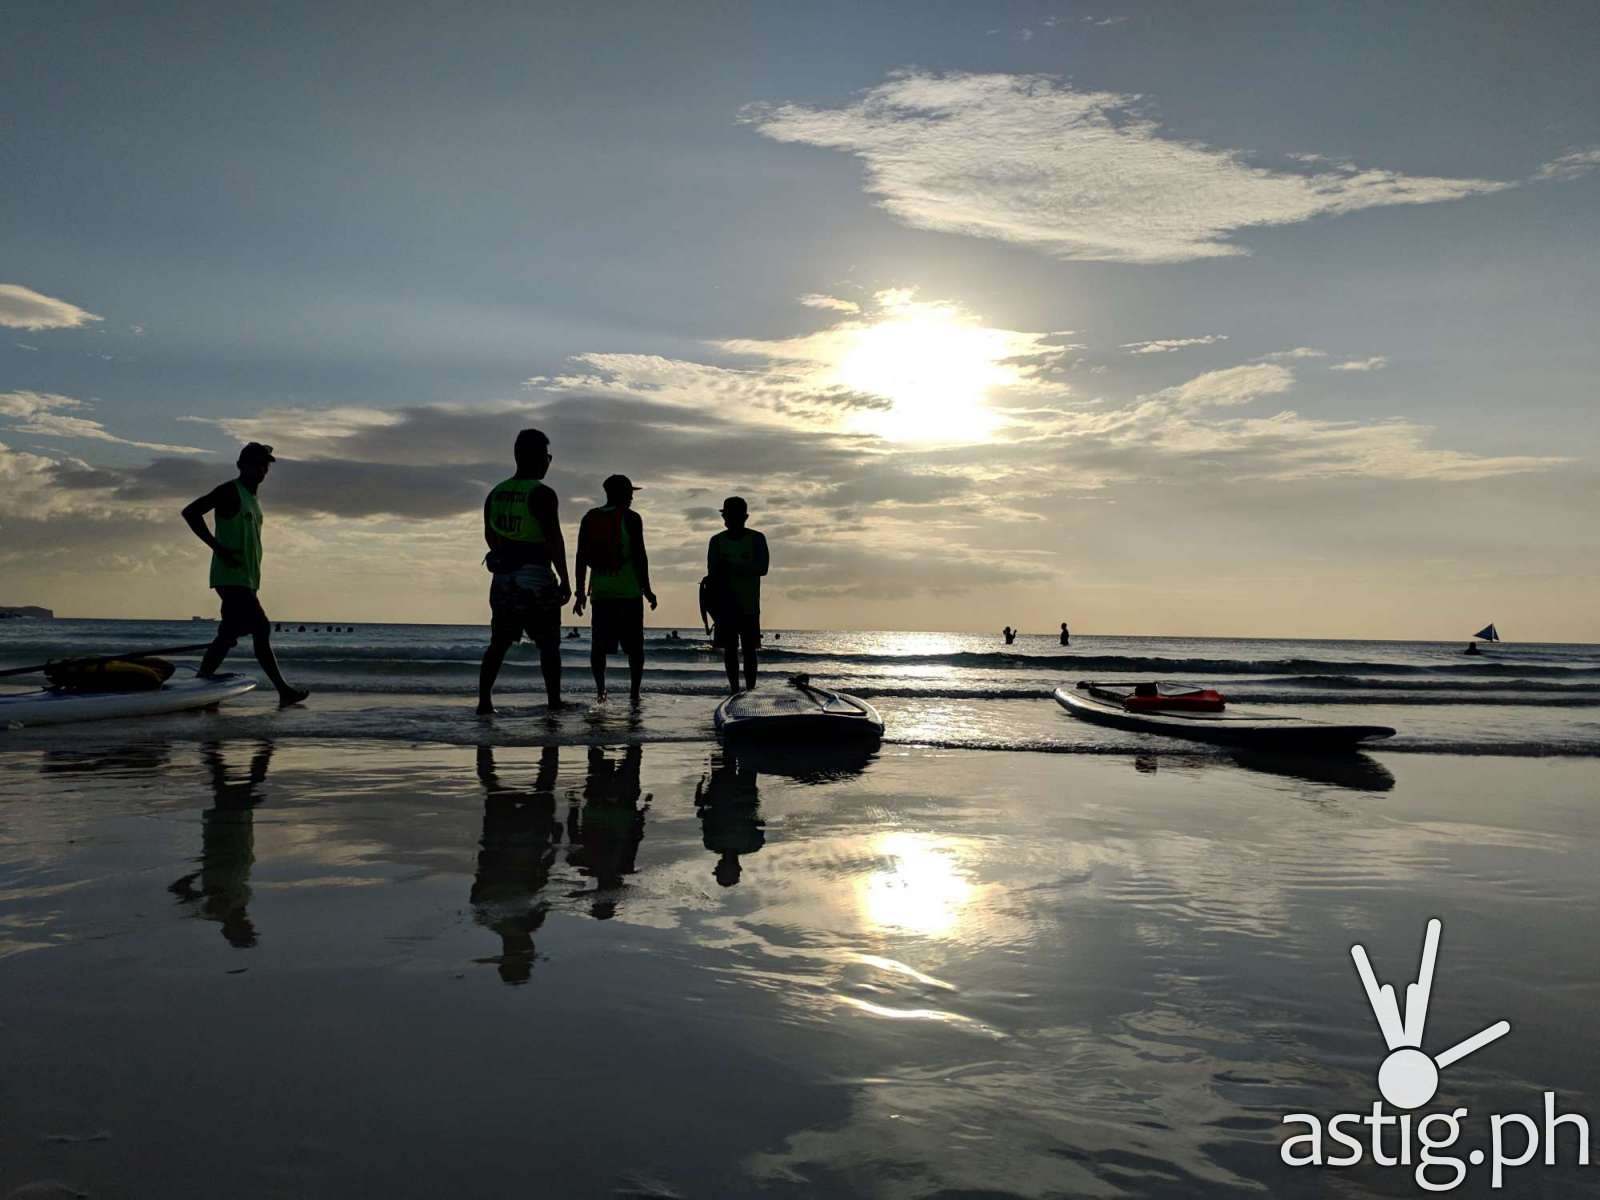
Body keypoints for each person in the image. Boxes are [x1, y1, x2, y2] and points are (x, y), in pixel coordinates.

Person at [181, 442, 308, 707]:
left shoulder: (253, 499)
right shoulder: (230, 491)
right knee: (261, 627)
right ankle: (283, 691)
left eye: (264, 466)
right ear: (241, 466)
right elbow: (191, 512)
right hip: (231, 577)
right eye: (255, 465)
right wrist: (216, 546)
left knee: (228, 635)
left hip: (247, 579)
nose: (261, 470)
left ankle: (201, 684)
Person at [478, 428, 571, 714]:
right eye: (546, 456)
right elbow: (554, 539)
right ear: (533, 457)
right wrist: (565, 580)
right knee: (548, 644)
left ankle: (485, 701)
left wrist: (508, 555)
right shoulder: (542, 494)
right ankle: (554, 703)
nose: (548, 462)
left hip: (503, 579)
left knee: (499, 642)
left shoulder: (496, 493)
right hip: (535, 577)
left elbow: (490, 538)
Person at [573, 474, 657, 703]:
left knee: (599, 647)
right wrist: (647, 589)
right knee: (635, 648)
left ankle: (601, 691)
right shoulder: (632, 519)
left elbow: (581, 557)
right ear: (622, 494)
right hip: (629, 592)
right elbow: (640, 556)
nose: (632, 497)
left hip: (601, 593)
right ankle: (634, 693)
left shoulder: (590, 517)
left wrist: (580, 592)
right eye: (630, 493)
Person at [705, 496, 769, 694]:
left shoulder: (757, 538)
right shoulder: (716, 541)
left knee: (749, 650)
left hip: (748, 604)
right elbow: (712, 573)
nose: (729, 520)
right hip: (724, 605)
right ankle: (734, 690)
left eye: (733, 515)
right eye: (727, 515)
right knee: (730, 650)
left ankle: (750, 690)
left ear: (745, 517)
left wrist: (734, 565)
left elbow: (763, 568)